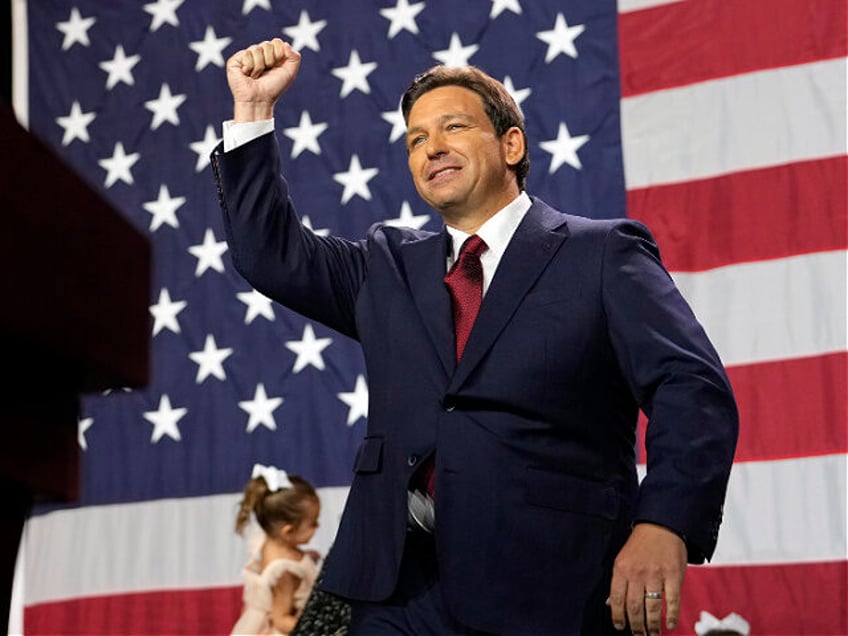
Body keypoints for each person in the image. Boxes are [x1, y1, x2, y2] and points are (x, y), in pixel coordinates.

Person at [211, 38, 739, 636]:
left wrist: (663, 522)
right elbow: (269, 257)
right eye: (415, 139)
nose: (431, 146)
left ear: (511, 143)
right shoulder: (386, 265)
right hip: (396, 591)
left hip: (552, 584)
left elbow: (690, 388)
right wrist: (252, 112)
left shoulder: (601, 253)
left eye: (453, 126)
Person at [231, 463, 321, 636]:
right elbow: (281, 620)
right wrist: (318, 630)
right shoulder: (284, 573)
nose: (318, 526)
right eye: (313, 522)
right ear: (288, 530)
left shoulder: (268, 539)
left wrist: (306, 559)